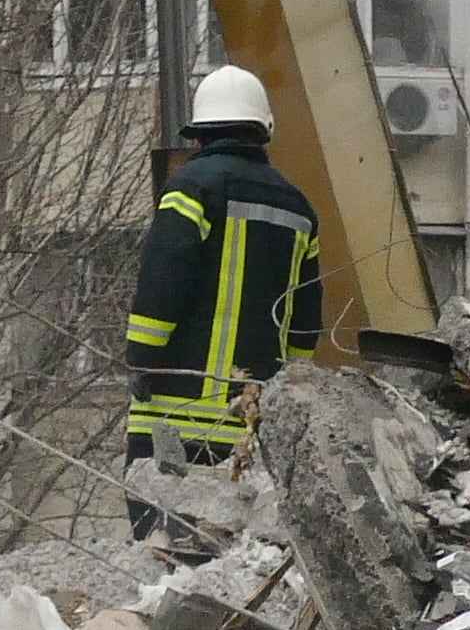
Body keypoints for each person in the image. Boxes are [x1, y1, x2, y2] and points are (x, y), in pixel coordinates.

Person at [123, 64, 325, 534]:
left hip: (172, 416)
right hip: (250, 427)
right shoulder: (299, 208)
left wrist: (140, 360)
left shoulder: (189, 190)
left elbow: (161, 284)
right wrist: (283, 396)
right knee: (235, 551)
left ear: (199, 135)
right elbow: (304, 325)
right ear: (263, 131)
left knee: (163, 549)